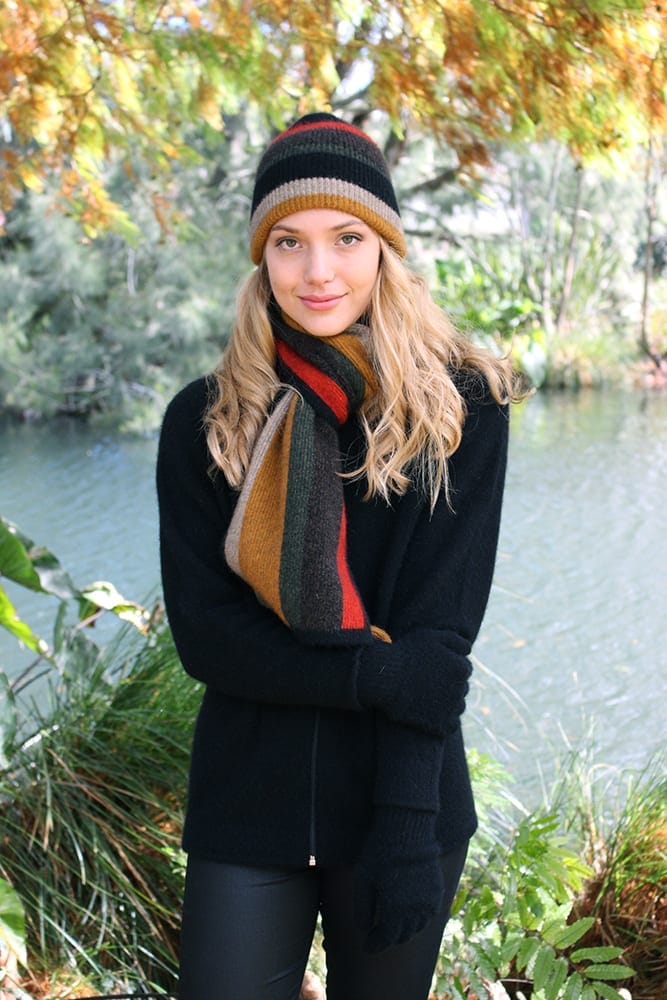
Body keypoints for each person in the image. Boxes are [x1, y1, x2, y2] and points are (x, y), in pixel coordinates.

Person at [156, 112, 523, 1000]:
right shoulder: (207, 421)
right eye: (289, 242)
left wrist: (405, 822)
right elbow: (208, 639)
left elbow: (436, 642)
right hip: (249, 802)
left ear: (385, 248)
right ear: (262, 258)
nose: (317, 271)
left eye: (346, 238)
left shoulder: (462, 408)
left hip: (402, 802)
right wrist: (372, 676)